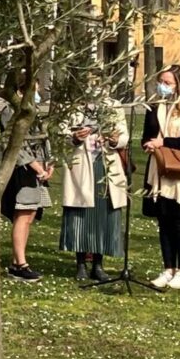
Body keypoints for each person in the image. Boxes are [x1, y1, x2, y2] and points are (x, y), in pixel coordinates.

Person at [60, 99, 128, 283]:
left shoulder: (113, 105)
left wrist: (114, 139)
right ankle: (80, 264)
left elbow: (123, 136)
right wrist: (75, 138)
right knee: (80, 214)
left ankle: (98, 264)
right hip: (81, 164)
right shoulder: (72, 103)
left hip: (106, 165)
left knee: (104, 215)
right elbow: (61, 134)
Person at [0, 84, 52, 283]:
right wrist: (36, 167)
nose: (37, 94)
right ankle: (20, 264)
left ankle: (17, 261)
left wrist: (49, 163)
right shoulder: (10, 111)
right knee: (22, 214)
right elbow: (15, 143)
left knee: (29, 215)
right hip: (21, 169)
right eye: (34, 89)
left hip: (38, 169)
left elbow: (44, 137)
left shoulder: (34, 112)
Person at [141, 65, 180, 290]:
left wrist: (164, 142)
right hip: (158, 169)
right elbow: (145, 136)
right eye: (161, 81)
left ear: (179, 85)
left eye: (168, 83)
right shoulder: (154, 107)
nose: (163, 86)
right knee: (164, 221)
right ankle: (168, 268)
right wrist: (149, 144)